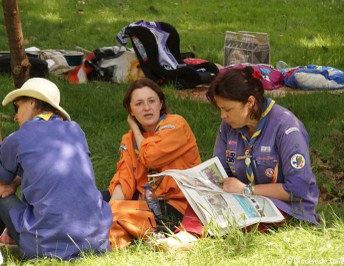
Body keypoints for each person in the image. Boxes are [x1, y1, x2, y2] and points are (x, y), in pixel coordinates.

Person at [156, 66, 320, 249]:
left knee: (246, 219)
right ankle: (186, 235)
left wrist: (246, 190)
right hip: (240, 198)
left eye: (228, 109)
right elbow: (220, 169)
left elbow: (297, 189)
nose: (223, 116)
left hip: (284, 205)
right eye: (220, 109)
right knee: (201, 200)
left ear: (250, 102)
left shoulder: (287, 128)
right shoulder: (228, 126)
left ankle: (196, 237)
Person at [0, 77, 112, 260]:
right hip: (95, 242)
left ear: (32, 102)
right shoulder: (75, 130)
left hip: (45, 246)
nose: (16, 116)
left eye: (17, 107)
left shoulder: (20, 137)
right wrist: (16, 182)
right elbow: (47, 173)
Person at [102, 78, 201, 247]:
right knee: (89, 202)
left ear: (160, 104)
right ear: (131, 110)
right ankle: (110, 226)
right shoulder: (128, 139)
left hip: (174, 207)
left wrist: (135, 129)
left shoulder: (176, 124)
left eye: (152, 101)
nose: (147, 108)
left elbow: (151, 156)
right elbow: (124, 177)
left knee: (112, 214)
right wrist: (109, 207)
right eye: (139, 103)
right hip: (143, 201)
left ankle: (109, 233)